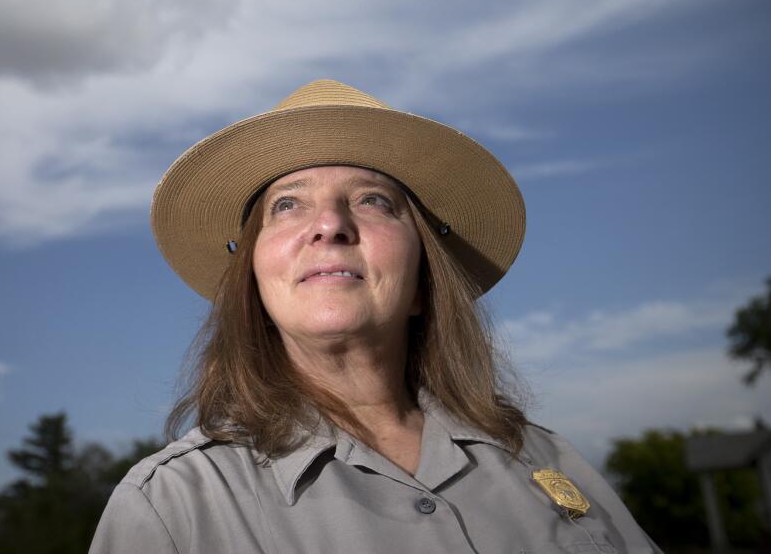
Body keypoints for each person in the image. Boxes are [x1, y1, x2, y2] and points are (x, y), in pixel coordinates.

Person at [90, 79, 660, 553]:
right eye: (287, 203)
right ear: (253, 284)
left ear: (422, 282)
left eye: (373, 200)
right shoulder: (169, 506)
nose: (330, 224)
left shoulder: (548, 460)